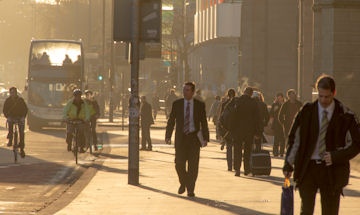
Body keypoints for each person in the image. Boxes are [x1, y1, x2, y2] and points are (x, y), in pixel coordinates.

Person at [283, 75, 360, 215]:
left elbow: (356, 143)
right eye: (321, 96)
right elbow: (295, 139)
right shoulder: (306, 112)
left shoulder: (345, 115)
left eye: (327, 97)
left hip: (332, 170)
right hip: (308, 168)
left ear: (334, 93)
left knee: (330, 211)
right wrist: (288, 163)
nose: (324, 100)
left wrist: (337, 156)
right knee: (306, 210)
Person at [165, 82, 209, 197]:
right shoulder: (177, 104)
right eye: (184, 90)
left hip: (194, 139)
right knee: (179, 164)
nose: (185, 92)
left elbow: (204, 122)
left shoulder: (199, 105)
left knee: (193, 166)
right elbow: (171, 120)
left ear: (193, 92)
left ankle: (190, 189)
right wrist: (168, 135)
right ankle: (183, 182)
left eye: (188, 90)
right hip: (181, 138)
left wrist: (205, 138)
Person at [231, 87, 261, 176]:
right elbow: (257, 119)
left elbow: (232, 116)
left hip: (237, 130)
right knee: (247, 150)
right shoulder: (253, 103)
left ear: (244, 92)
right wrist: (257, 132)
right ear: (251, 94)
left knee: (237, 150)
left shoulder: (237, 101)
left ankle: (237, 169)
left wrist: (231, 129)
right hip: (249, 131)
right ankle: (246, 170)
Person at [3, 87, 28, 158]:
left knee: (21, 131)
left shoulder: (20, 100)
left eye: (14, 92)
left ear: (16, 93)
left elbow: (25, 109)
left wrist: (23, 116)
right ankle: (10, 139)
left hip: (20, 117)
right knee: (10, 123)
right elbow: (4, 110)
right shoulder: (8, 101)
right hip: (11, 117)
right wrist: (7, 116)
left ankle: (22, 146)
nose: (12, 94)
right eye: (11, 93)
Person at [219, 89, 237, 171]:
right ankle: (236, 165)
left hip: (227, 129)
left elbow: (221, 118)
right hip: (236, 129)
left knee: (229, 148)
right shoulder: (237, 103)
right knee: (236, 148)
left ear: (227, 95)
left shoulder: (224, 104)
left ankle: (229, 166)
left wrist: (221, 130)